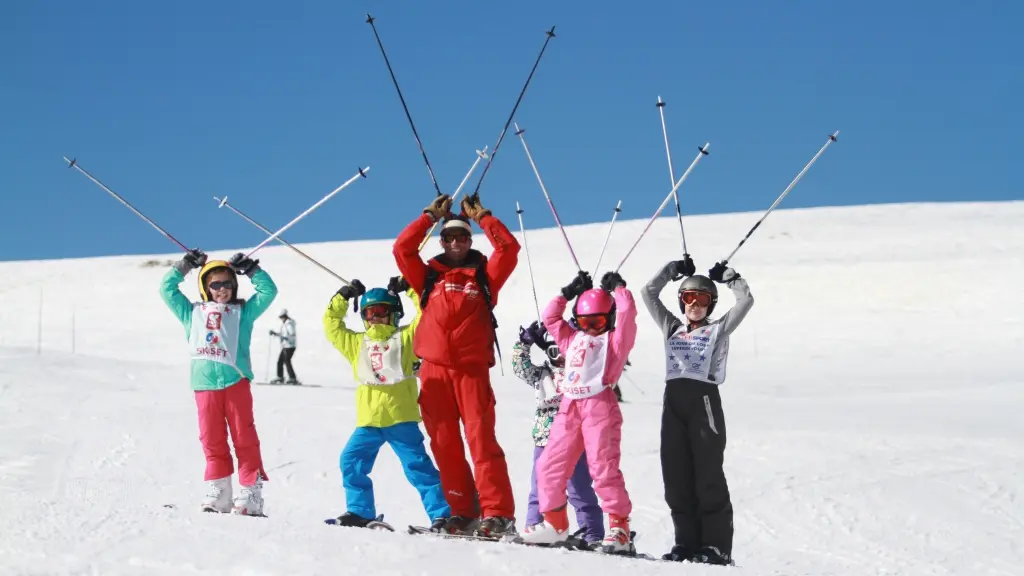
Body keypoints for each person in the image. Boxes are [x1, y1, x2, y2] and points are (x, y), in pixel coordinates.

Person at [391, 193, 520, 537]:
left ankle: (497, 512)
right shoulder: (428, 276)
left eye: (462, 236)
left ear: (469, 239)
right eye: (448, 237)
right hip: (433, 371)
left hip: (471, 369)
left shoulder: (484, 274)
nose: (455, 243)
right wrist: (428, 217)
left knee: (481, 440)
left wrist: (484, 217)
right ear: (442, 240)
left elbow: (508, 249)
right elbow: (402, 250)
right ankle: (462, 510)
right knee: (444, 443)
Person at [640, 256, 753, 566]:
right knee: (676, 476)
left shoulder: (717, 330)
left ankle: (716, 547)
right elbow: (648, 293)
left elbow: (746, 301)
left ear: (711, 304)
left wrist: (730, 278)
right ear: (682, 301)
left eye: (702, 299)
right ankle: (686, 543)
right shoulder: (671, 327)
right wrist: (671, 271)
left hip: (703, 401)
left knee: (707, 474)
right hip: (673, 403)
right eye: (689, 298)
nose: (695, 304)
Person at [519, 270, 638, 554]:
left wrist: (620, 290)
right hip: (569, 406)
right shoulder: (571, 339)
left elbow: (629, 316)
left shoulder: (615, 342)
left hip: (599, 405)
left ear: (608, 319)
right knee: (549, 465)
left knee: (602, 468)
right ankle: (555, 524)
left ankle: (619, 528)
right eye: (585, 322)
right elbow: (550, 319)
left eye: (598, 321)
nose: (591, 328)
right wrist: (566, 292)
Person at [322, 275, 451, 530]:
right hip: (369, 420)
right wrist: (344, 297)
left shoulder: (406, 338)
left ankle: (443, 514)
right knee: (351, 461)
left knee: (417, 467)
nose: (375, 317)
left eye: (382, 311)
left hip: (400, 418)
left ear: (394, 314)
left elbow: (428, 314)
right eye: (369, 312)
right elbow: (331, 325)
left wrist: (411, 288)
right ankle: (360, 511)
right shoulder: (356, 342)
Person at [158, 249, 277, 516]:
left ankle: (251, 493)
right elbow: (167, 290)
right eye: (215, 284)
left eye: (227, 283)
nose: (222, 289)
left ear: (234, 286)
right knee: (212, 440)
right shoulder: (192, 313)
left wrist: (251, 269)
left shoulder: (243, 312)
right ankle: (219, 492)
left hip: (235, 381)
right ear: (205, 287)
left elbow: (269, 292)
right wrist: (184, 266)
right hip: (204, 384)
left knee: (244, 437)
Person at [512, 320, 604, 548]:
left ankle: (592, 534)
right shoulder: (542, 374)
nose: (561, 357)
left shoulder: (581, 374)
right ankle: (535, 527)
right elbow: (519, 366)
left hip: (574, 442)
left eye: (566, 348)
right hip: (545, 439)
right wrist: (524, 343)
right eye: (554, 350)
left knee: (579, 489)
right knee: (540, 487)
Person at [269, 309, 299, 385]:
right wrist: (276, 334)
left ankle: (292, 378)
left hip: (289, 346)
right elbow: (283, 334)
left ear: (285, 316)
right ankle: (281, 377)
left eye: (281, 317)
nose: (281, 318)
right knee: (281, 361)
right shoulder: (286, 323)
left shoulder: (289, 324)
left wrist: (284, 337)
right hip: (286, 346)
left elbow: (291, 334)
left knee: (286, 361)